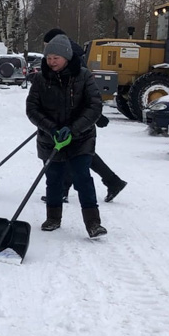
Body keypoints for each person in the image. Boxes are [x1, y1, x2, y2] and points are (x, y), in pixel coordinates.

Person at [26, 34, 107, 237]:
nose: (52, 62)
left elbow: (94, 106)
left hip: (81, 137)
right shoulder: (41, 78)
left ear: (67, 57)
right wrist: (52, 129)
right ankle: (53, 218)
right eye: (49, 58)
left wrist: (73, 129)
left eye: (56, 58)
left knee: (82, 178)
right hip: (50, 138)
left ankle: (93, 223)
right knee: (54, 178)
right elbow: (32, 109)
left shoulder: (84, 76)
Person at [43, 27, 127, 203]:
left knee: (72, 151)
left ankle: (63, 190)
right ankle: (112, 182)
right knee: (79, 151)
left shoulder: (70, 57)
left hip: (76, 114)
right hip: (73, 112)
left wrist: (94, 114)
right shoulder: (71, 52)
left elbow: (81, 88)